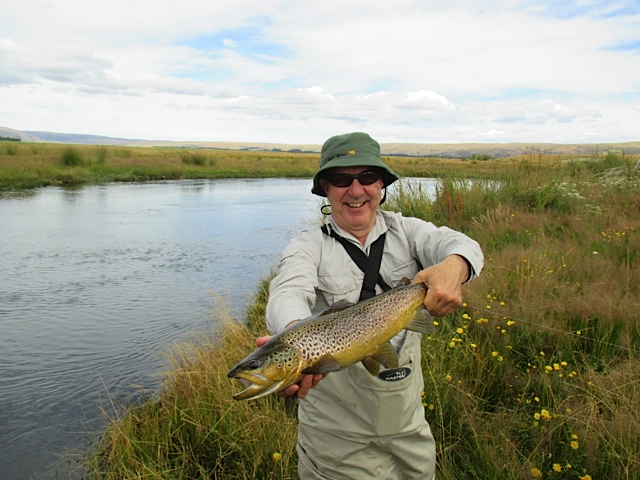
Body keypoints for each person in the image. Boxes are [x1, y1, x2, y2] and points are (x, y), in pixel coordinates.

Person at [261, 132, 484, 479]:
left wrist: (455, 266)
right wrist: (294, 334)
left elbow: (462, 244)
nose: (355, 190)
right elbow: (287, 290)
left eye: (367, 177)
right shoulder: (307, 246)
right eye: (340, 179)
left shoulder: (409, 232)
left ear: (381, 184)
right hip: (336, 441)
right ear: (325, 188)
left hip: (409, 428)